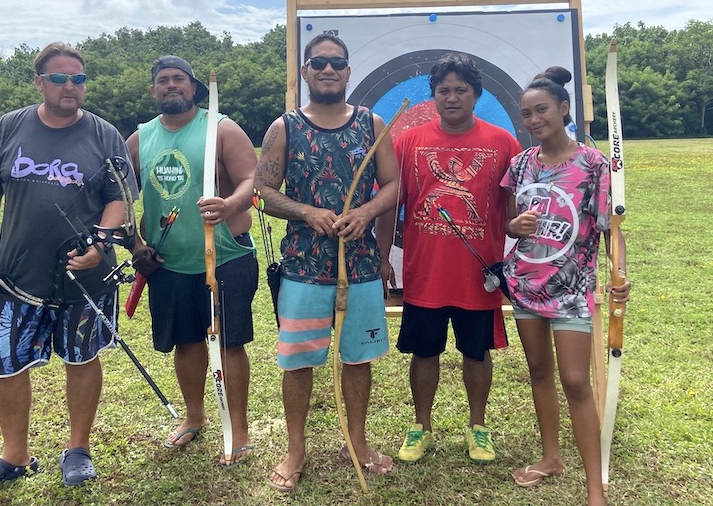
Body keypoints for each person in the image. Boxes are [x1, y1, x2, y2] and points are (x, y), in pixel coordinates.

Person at [0, 42, 138, 491]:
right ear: (39, 81)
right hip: (17, 275)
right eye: (59, 78)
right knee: (4, 363)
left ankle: (77, 449)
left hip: (85, 276)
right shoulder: (9, 128)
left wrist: (100, 244)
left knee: (82, 359)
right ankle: (14, 455)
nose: (70, 87)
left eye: (78, 79)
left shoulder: (105, 135)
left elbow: (119, 198)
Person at [254, 34, 398, 492]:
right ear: (306, 71)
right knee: (298, 363)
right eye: (319, 62)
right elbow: (264, 191)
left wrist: (366, 213)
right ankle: (296, 449)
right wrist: (307, 212)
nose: (328, 69)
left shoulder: (372, 124)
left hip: (359, 267)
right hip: (303, 267)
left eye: (337, 62)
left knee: (358, 360)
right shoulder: (285, 127)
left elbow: (393, 185)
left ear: (348, 71)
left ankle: (356, 443)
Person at [377, 53, 521, 465]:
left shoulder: (503, 142)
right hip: (425, 273)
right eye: (444, 90)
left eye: (461, 90)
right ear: (433, 95)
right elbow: (390, 205)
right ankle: (421, 425)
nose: (453, 97)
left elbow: (514, 212)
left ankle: (478, 427)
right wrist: (384, 257)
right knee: (425, 352)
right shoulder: (408, 141)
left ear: (476, 94)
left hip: (478, 273)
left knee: (476, 353)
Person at [502, 67, 631, 506]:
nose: (534, 120)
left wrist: (619, 274)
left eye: (542, 110)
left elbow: (612, 229)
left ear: (563, 108)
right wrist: (514, 226)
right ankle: (551, 458)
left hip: (572, 289)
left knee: (576, 380)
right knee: (539, 373)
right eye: (526, 114)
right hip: (524, 284)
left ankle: (596, 491)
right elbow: (510, 221)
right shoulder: (520, 164)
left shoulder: (594, 164)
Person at [125, 56, 258, 466]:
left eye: (178, 79)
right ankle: (195, 416)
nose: (170, 85)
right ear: (153, 90)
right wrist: (134, 246)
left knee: (229, 343)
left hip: (225, 256)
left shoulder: (220, 128)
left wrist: (229, 203)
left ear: (193, 87)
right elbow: (114, 197)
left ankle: (238, 429)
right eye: (162, 81)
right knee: (186, 341)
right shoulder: (139, 138)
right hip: (169, 260)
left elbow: (255, 181)